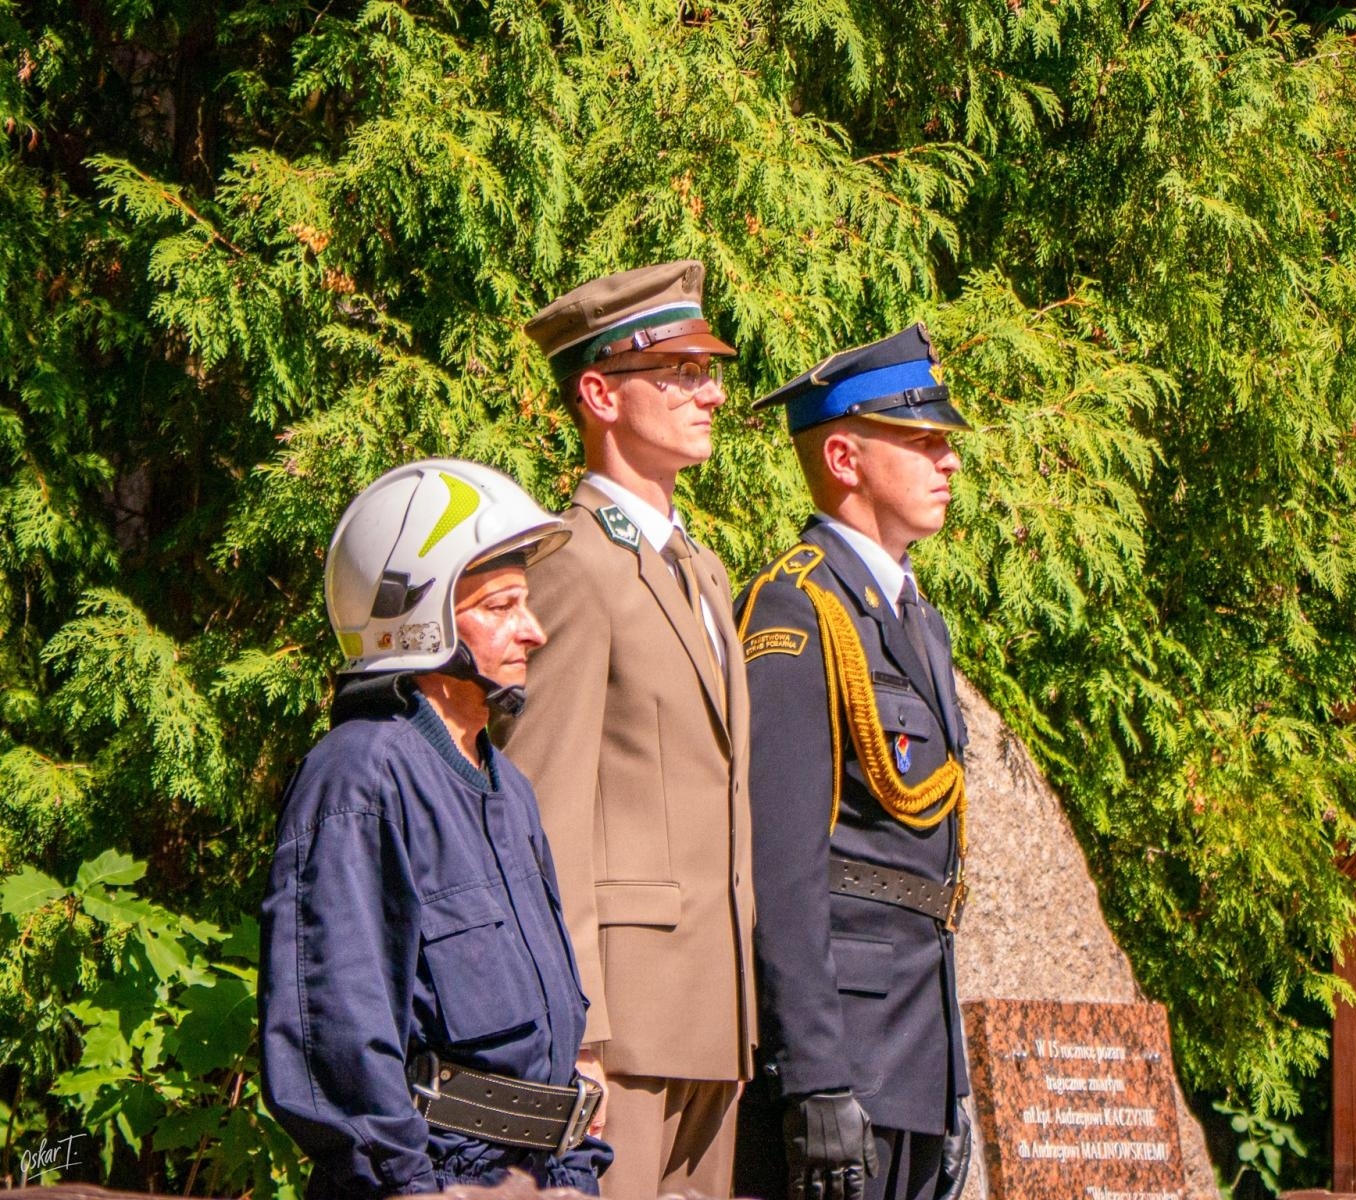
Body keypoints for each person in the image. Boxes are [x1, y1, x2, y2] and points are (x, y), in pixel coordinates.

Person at [260, 459, 611, 1199]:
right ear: (421, 622)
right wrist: (412, 1188)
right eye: (501, 606)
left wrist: (575, 1176)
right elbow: (337, 1036)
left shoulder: (506, 787)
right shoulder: (360, 776)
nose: (536, 631)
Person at [502, 261, 755, 1198]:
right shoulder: (571, 567)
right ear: (600, 394)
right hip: (625, 1029)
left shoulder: (708, 571)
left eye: (709, 371)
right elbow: (546, 811)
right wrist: (577, 1031)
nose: (711, 393)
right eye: (678, 374)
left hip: (715, 1018)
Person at [732, 325, 974, 1200]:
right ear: (843, 455)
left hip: (913, 1049)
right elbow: (783, 867)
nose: (948, 462)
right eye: (922, 441)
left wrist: (951, 1080)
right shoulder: (796, 610)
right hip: (846, 1053)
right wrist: (814, 1077)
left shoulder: (917, 619)